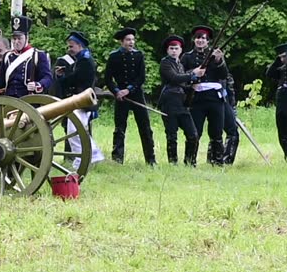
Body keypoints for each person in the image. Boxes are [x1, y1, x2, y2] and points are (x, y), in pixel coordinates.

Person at [53, 31, 105, 171]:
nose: (69, 49)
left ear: (79, 45)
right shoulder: (82, 59)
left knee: (74, 130)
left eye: (71, 46)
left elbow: (77, 79)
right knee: (78, 130)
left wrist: (62, 78)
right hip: (81, 99)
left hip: (82, 100)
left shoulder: (84, 61)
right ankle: (89, 155)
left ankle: (87, 156)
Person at [104, 27, 156, 165]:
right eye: (128, 40)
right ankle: (117, 159)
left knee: (145, 127)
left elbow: (141, 77)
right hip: (121, 96)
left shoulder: (139, 55)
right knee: (120, 128)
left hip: (136, 94)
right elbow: (108, 79)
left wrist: (129, 89)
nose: (131, 42)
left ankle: (151, 159)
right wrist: (117, 91)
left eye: (133, 40)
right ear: (122, 41)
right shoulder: (113, 56)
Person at [181, 26, 228, 166]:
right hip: (197, 98)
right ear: (194, 40)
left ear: (208, 41)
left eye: (204, 38)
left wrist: (220, 61)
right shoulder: (187, 57)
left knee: (217, 132)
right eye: (198, 38)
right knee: (195, 132)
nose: (200, 40)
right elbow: (181, 75)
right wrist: (193, 73)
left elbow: (224, 75)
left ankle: (217, 162)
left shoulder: (215, 55)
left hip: (214, 97)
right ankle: (190, 161)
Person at [157, 35, 200, 165]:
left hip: (181, 103)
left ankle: (189, 162)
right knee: (172, 136)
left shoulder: (180, 65)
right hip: (169, 102)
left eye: (176, 48)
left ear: (181, 50)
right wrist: (192, 75)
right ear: (167, 50)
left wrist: (192, 84)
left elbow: (183, 83)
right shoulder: (165, 63)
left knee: (193, 134)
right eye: (171, 48)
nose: (174, 51)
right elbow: (174, 78)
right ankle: (173, 163)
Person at [0, 16, 52, 98]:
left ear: (26, 38)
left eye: (19, 38)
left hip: (29, 101)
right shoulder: (7, 56)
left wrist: (37, 84)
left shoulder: (37, 55)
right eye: (14, 39)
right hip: (10, 101)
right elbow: (0, 82)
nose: (16, 42)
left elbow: (47, 78)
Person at [221, 72, 240, 165]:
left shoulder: (223, 69)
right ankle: (225, 161)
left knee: (217, 133)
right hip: (219, 101)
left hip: (224, 101)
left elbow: (229, 90)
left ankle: (218, 159)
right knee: (232, 132)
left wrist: (233, 107)